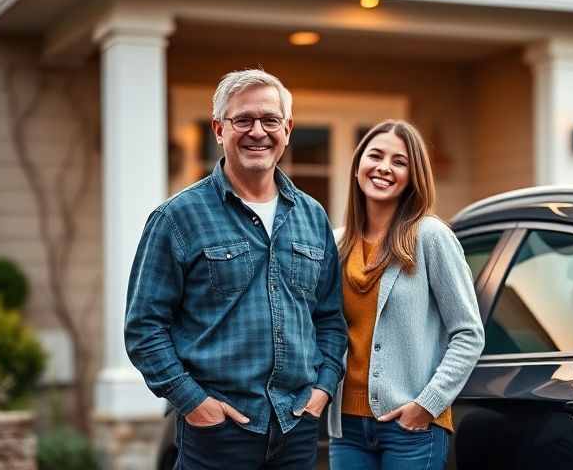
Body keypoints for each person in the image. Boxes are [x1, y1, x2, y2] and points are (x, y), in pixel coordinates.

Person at [124, 68, 347, 469]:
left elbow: (330, 319)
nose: (257, 131)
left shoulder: (313, 217)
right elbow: (144, 327)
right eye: (242, 119)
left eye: (270, 120)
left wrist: (322, 391)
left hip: (296, 429)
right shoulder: (177, 218)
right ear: (218, 129)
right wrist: (194, 404)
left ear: (288, 129)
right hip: (217, 436)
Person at [327, 119, 485, 469]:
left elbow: (469, 333)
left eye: (399, 162)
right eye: (376, 156)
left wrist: (427, 404)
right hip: (347, 428)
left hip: (412, 428)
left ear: (413, 177)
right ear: (357, 167)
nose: (384, 168)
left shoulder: (431, 237)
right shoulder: (337, 243)